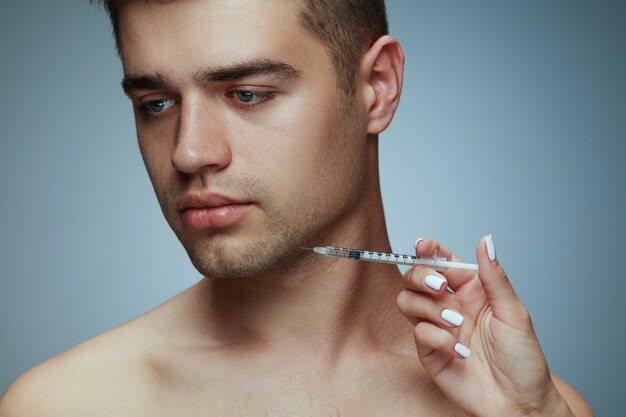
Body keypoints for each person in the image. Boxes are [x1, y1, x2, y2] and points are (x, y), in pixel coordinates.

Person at [0, 1, 594, 415]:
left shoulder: (528, 405)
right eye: (155, 103)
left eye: (248, 94)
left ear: (378, 87)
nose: (189, 152)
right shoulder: (65, 405)